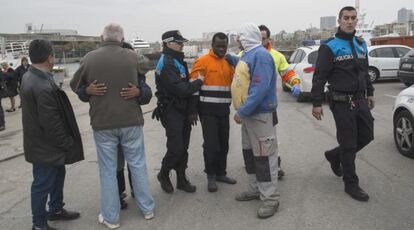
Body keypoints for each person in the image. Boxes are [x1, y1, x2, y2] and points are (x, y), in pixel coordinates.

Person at [71, 23, 155, 229]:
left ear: (102, 37)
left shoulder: (89, 58)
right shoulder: (132, 56)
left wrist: (87, 90)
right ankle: (147, 209)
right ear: (122, 38)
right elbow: (148, 66)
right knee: (137, 165)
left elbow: (75, 85)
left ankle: (111, 218)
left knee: (108, 170)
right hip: (130, 120)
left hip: (103, 122)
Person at [311, 6, 375, 202]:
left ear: (357, 21)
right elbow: (319, 76)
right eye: (346, 18)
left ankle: (334, 155)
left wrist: (370, 92)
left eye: (353, 18)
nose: (349, 21)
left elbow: (364, 71)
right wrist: (316, 102)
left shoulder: (361, 44)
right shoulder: (330, 46)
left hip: (361, 100)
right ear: (339, 21)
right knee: (348, 143)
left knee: (367, 135)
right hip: (341, 102)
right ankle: (351, 183)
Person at [21, 39, 84, 230]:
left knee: (57, 176)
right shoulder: (40, 84)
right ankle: (39, 224)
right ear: (50, 57)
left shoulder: (32, 75)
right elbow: (51, 123)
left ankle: (56, 209)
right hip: (45, 146)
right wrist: (66, 142)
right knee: (42, 184)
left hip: (43, 143)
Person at [231, 23, 280, 219]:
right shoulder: (249, 55)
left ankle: (270, 199)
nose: (237, 40)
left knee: (264, 157)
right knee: (250, 154)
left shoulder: (261, 56)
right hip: (250, 116)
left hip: (258, 115)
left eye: (239, 36)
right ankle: (255, 189)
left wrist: (242, 111)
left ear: (247, 37)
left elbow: (259, 89)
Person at [152, 30, 204, 194]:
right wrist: (199, 82)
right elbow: (181, 89)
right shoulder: (166, 63)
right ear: (168, 43)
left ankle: (181, 179)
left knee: (184, 146)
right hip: (171, 110)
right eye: (179, 42)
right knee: (176, 147)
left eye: (182, 42)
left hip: (182, 109)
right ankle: (164, 173)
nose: (182, 45)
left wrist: (191, 110)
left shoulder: (176, 60)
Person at [188, 32, 237, 192]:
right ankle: (211, 176)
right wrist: (192, 111)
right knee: (211, 145)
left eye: (224, 46)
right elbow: (193, 89)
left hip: (223, 111)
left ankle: (221, 173)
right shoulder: (202, 62)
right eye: (219, 46)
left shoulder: (229, 62)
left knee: (224, 144)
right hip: (207, 112)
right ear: (212, 45)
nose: (222, 49)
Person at [259, 24, 303, 179]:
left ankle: (275, 166)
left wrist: (295, 82)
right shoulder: (245, 54)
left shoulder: (276, 56)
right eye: (258, 38)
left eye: (263, 39)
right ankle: (253, 164)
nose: (260, 42)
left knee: (271, 138)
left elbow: (287, 72)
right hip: (249, 105)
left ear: (268, 39)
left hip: (268, 105)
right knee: (251, 139)